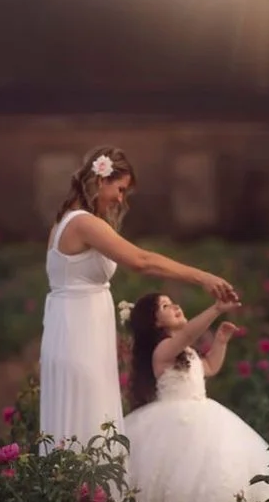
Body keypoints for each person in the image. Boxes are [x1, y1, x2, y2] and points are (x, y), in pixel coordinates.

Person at [38, 146, 239, 456]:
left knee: (87, 415)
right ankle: (84, 492)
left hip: (75, 327)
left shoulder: (68, 221)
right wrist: (203, 278)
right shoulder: (82, 222)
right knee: (85, 414)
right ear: (100, 179)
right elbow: (142, 261)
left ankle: (82, 492)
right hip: (78, 332)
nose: (121, 199)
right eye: (119, 189)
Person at [119, 292, 269, 502]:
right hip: (173, 424)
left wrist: (221, 342)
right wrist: (216, 309)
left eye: (172, 302)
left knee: (214, 476)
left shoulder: (186, 352)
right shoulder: (164, 349)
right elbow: (189, 334)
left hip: (202, 415)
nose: (176, 306)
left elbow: (210, 368)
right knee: (178, 479)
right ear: (153, 323)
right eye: (165, 307)